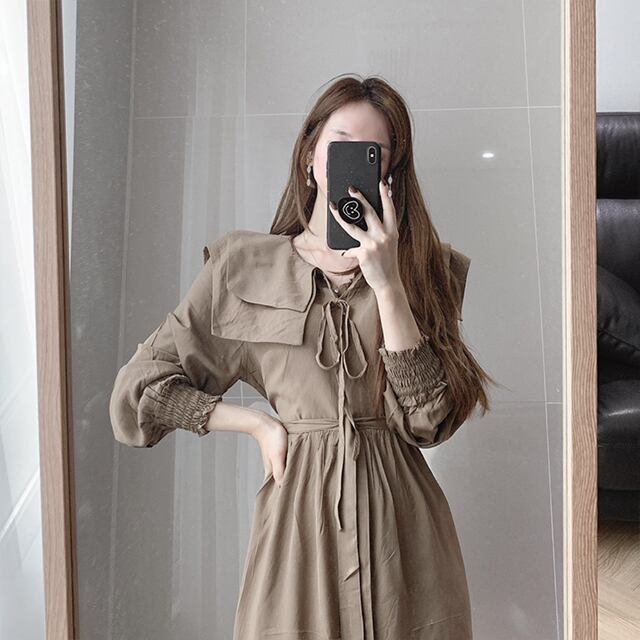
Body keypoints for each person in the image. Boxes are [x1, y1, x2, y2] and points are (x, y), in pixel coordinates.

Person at [109, 73, 495, 640]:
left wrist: (387, 284)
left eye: (373, 154)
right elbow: (137, 392)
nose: (352, 165)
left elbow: (428, 422)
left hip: (405, 533)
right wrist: (256, 424)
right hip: (298, 527)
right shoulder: (243, 268)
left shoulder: (423, 269)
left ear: (389, 173)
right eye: (340, 145)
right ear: (312, 156)